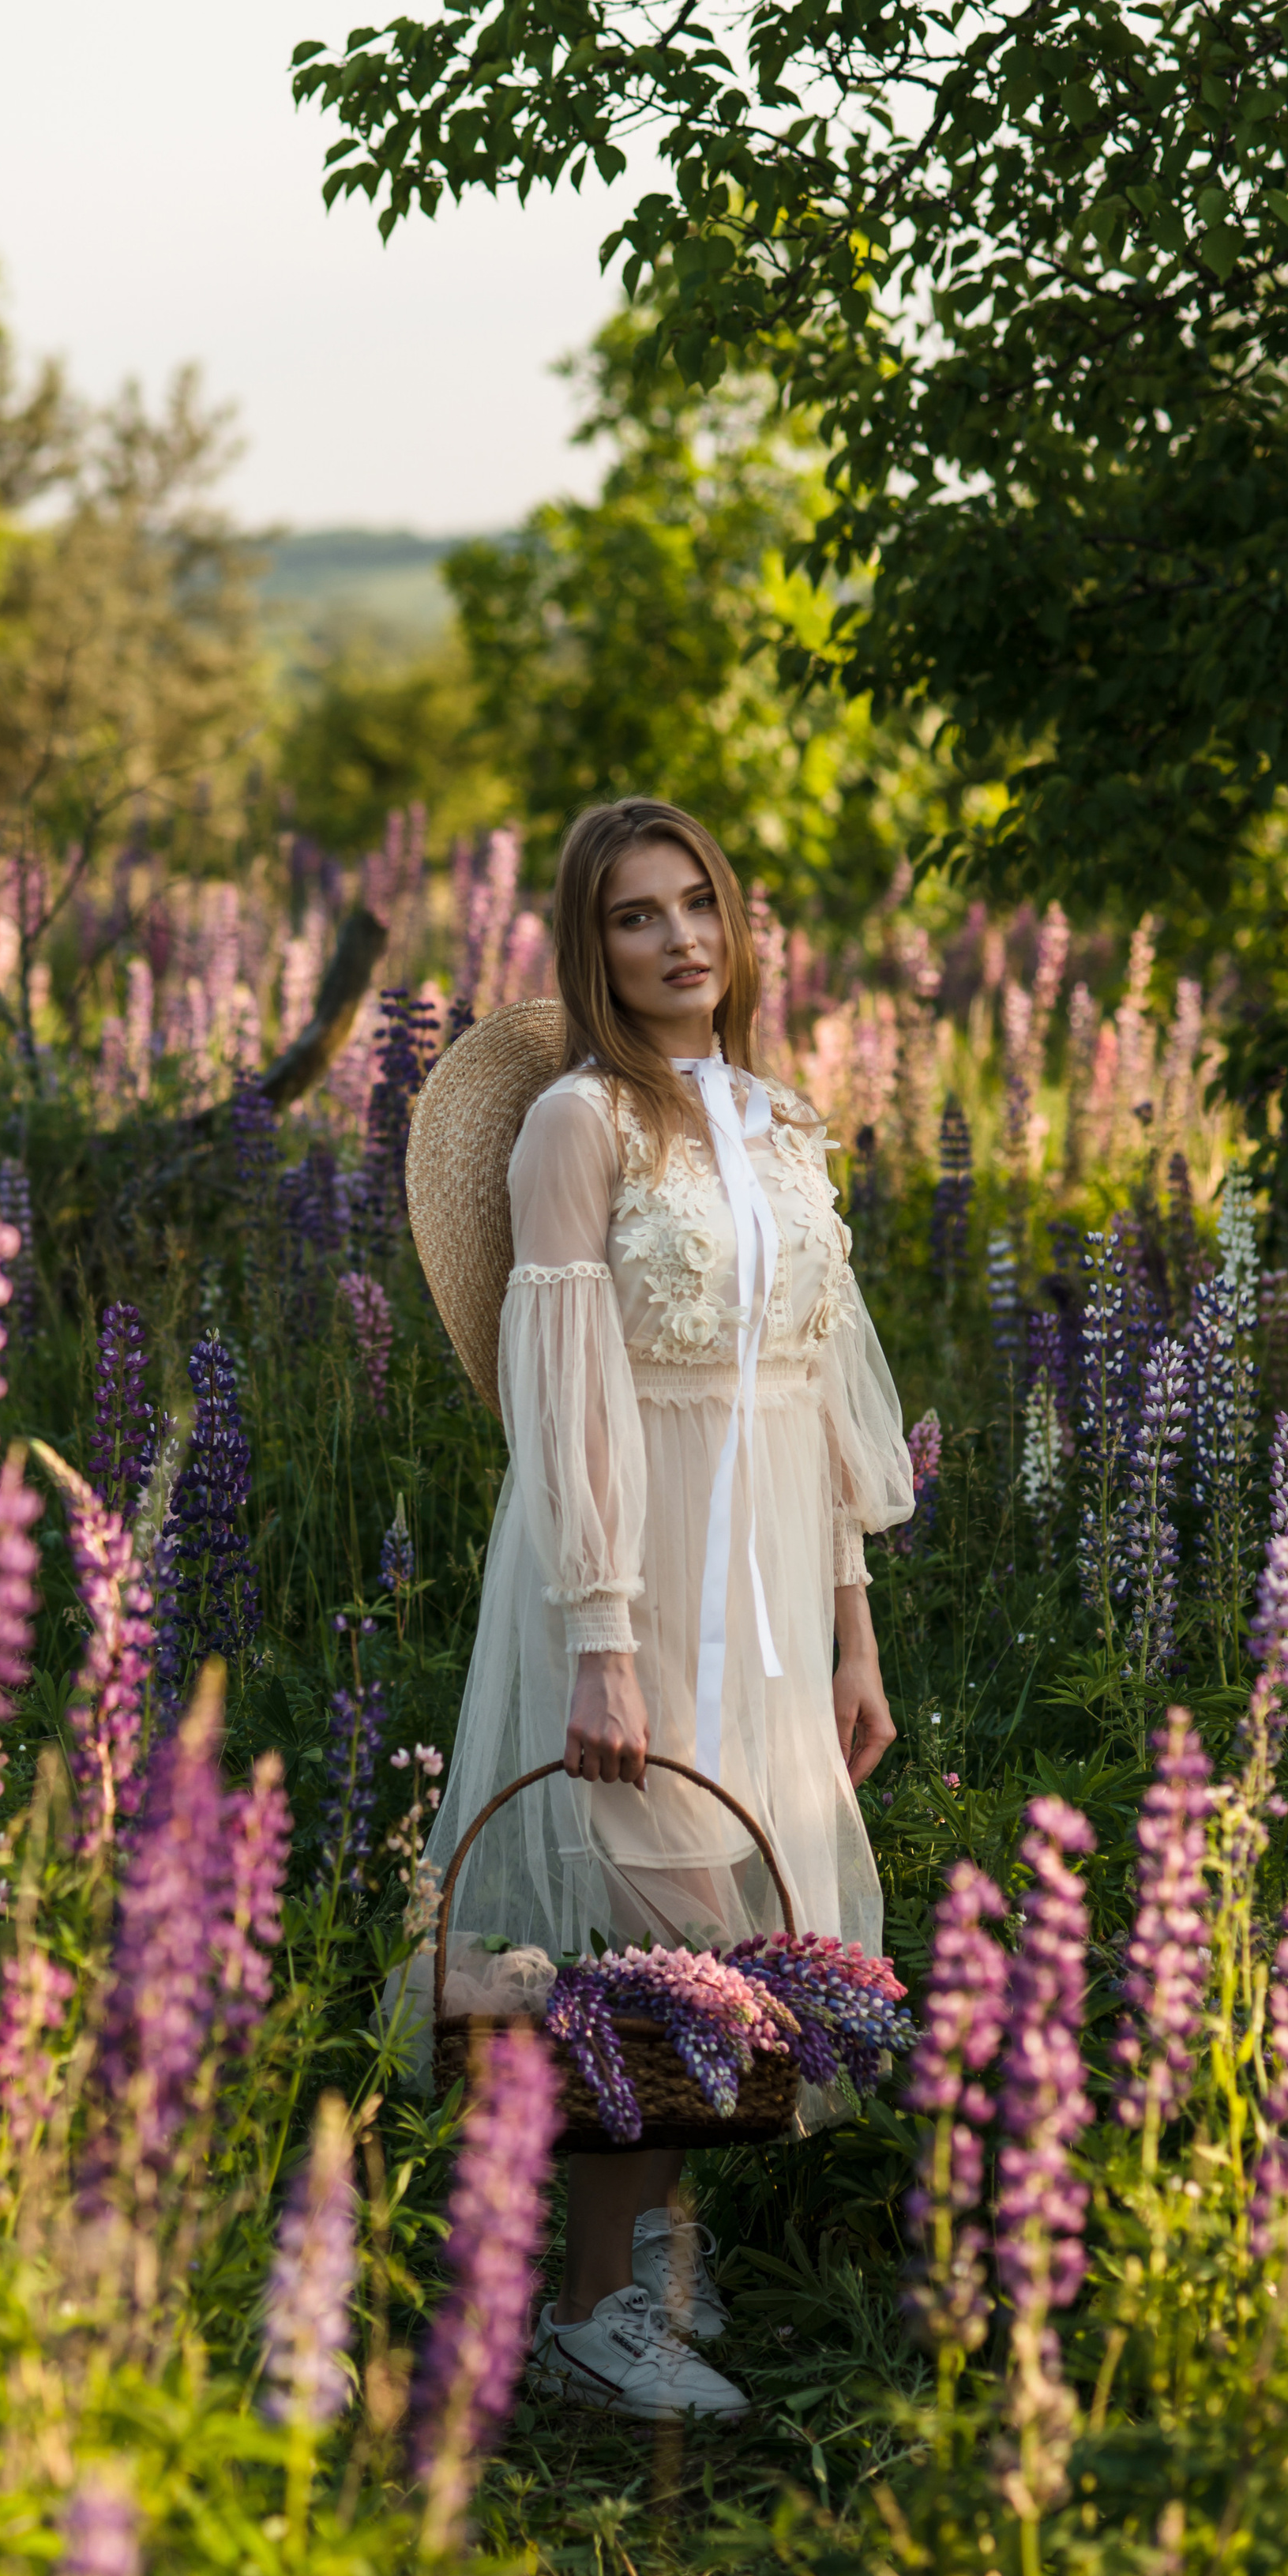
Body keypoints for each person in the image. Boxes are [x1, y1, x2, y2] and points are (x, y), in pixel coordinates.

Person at [415, 797, 914, 2421]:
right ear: (590, 944)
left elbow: (824, 1396)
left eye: (694, 900)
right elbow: (561, 1394)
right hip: (633, 1561)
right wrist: (601, 1634)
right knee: (659, 1918)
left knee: (736, 1948)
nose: (677, 937)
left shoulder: (777, 1119)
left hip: (774, 1573)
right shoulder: (577, 1124)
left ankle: (648, 2291)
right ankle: (583, 2309)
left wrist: (852, 1626)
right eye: (634, 915)